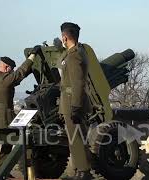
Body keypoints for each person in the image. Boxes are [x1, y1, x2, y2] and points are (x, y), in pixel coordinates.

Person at [0, 46, 42, 170]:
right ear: (7, 68)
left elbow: (14, 79)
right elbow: (20, 73)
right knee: (24, 138)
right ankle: (28, 168)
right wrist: (32, 56)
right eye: (11, 70)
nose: (11, 72)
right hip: (4, 122)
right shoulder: (5, 80)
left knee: (8, 141)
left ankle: (3, 167)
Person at [58, 22, 92, 180]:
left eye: (62, 37)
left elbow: (77, 83)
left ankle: (83, 171)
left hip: (73, 102)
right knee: (74, 139)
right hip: (69, 102)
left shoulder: (75, 55)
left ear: (65, 37)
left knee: (76, 138)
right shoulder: (72, 53)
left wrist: (76, 107)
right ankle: (79, 170)